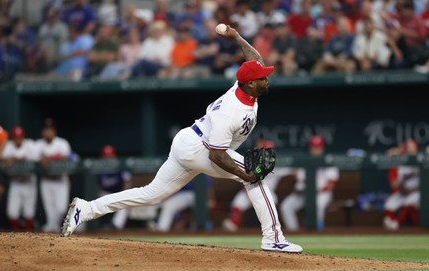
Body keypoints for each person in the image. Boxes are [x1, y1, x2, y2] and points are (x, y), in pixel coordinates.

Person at [62, 24, 303, 253]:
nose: (266, 78)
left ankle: (86, 209)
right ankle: (273, 239)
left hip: (191, 140)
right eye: (262, 77)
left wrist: (237, 37)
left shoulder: (245, 87)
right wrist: (246, 174)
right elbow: (215, 154)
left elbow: (255, 59)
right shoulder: (230, 112)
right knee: (255, 179)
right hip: (200, 148)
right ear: (251, 83)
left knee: (151, 194)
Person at [222, 137, 295, 232]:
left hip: (267, 191)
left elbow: (294, 170)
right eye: (266, 151)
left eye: (270, 151)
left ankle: (273, 228)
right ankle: (232, 227)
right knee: (238, 202)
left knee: (273, 201)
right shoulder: (252, 161)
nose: (268, 154)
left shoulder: (277, 166)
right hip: (249, 189)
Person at [280, 135, 340, 231]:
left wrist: (317, 190)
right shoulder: (304, 161)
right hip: (303, 194)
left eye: (318, 147)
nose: (316, 150)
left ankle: (317, 231)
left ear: (322, 148)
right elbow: (296, 178)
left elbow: (331, 184)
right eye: (314, 147)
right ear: (310, 148)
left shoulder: (328, 162)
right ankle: (294, 232)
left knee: (318, 205)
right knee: (286, 206)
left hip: (322, 193)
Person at [96, 144, 158, 231]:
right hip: (107, 193)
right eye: (106, 157)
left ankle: (115, 226)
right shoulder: (99, 169)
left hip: (119, 192)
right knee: (100, 201)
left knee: (124, 203)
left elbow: (127, 183)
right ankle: (102, 226)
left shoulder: (120, 166)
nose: (108, 159)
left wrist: (121, 195)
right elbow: (99, 188)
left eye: (110, 156)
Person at [35, 118, 73, 233]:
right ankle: (54, 231)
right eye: (46, 129)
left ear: (55, 131)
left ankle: (51, 227)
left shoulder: (62, 143)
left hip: (61, 180)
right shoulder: (38, 144)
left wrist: (49, 158)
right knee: (50, 211)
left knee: (61, 209)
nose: (48, 132)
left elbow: (67, 157)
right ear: (43, 132)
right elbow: (34, 158)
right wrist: (40, 159)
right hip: (46, 181)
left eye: (51, 129)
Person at [0, 126, 39, 232]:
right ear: (13, 138)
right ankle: (16, 236)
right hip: (16, 181)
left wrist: (21, 158)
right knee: (12, 211)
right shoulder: (8, 146)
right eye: (16, 137)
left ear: (23, 137)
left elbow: (38, 159)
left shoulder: (30, 145)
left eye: (20, 137)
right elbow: (3, 163)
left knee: (29, 211)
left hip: (29, 181)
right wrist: (12, 159)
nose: (18, 139)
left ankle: (29, 235)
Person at [383, 139, 420, 230]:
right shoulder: (402, 163)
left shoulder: (421, 160)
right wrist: (402, 189)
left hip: (417, 191)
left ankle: (397, 223)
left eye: (412, 148)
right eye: (408, 148)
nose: (410, 150)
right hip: (403, 191)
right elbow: (396, 183)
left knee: (412, 200)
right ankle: (389, 221)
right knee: (390, 203)